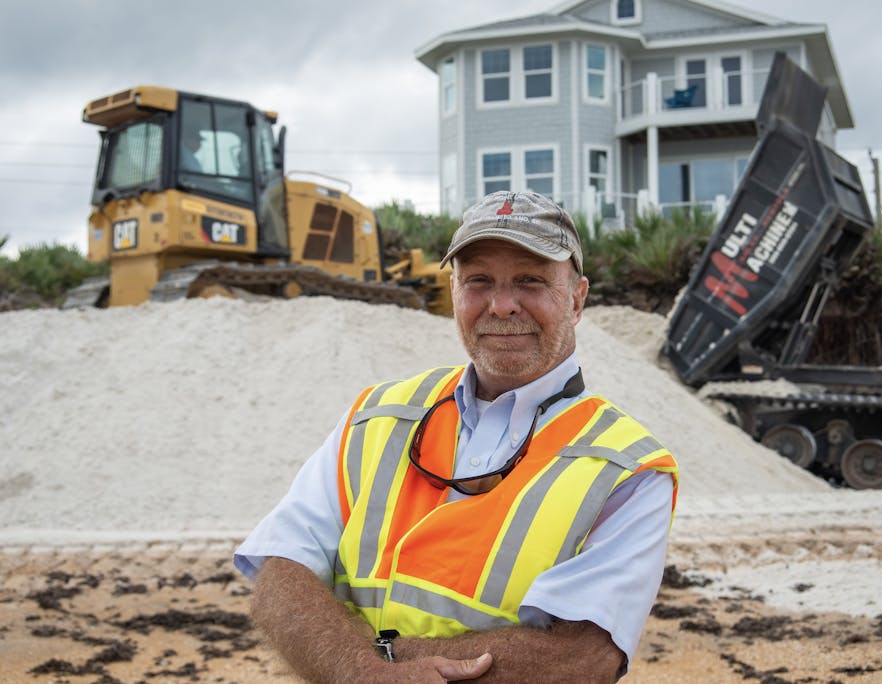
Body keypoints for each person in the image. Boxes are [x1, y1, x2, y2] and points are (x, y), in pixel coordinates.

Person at [234, 190, 678, 683]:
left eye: (530, 281)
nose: (502, 305)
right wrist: (359, 671)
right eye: (479, 280)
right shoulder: (377, 414)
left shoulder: (627, 467)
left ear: (577, 299)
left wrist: (379, 655)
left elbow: (578, 660)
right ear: (453, 292)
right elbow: (280, 571)